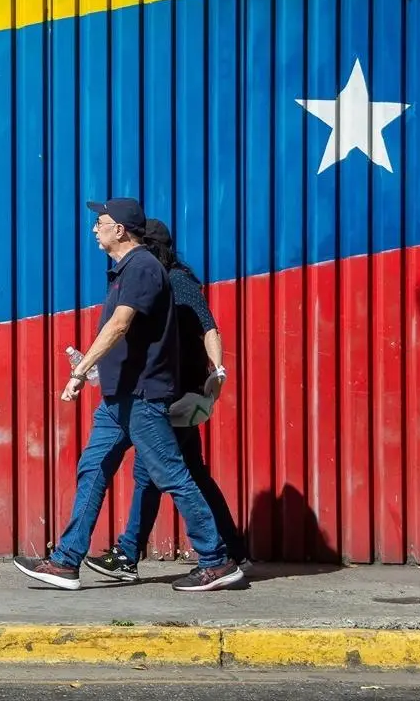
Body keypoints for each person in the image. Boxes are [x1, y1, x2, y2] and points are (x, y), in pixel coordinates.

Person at [13, 197, 245, 593]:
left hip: (141, 396)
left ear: (119, 229)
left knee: (173, 475)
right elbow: (128, 338)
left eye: (100, 222)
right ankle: (66, 561)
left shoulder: (143, 267)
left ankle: (217, 560)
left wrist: (81, 371)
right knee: (94, 468)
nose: (94, 229)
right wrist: (96, 367)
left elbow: (121, 325)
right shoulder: (126, 270)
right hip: (118, 395)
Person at [82, 217, 250, 582]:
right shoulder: (151, 278)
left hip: (177, 393)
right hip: (168, 390)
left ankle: (139, 554)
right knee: (182, 473)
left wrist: (218, 370)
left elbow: (208, 326)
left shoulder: (175, 280)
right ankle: (230, 551)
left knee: (162, 474)